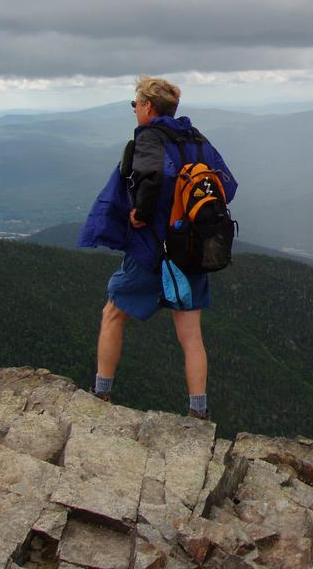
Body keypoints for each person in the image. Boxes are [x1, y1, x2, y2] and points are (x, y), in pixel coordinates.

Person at [78, 75, 237, 420]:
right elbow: (228, 185)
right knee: (191, 334)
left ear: (148, 107)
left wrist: (140, 213)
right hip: (194, 250)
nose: (135, 110)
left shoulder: (150, 138)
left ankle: (100, 396)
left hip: (153, 250)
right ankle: (198, 412)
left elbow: (149, 177)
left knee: (113, 313)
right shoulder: (197, 140)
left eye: (135, 104)